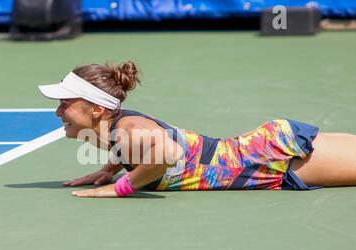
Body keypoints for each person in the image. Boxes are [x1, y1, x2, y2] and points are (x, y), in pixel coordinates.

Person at [38, 61, 356, 198]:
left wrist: (120, 187)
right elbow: (143, 147)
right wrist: (110, 169)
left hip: (272, 160)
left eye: (65, 103)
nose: (58, 111)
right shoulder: (115, 129)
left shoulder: (125, 129)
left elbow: (167, 152)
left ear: (96, 109)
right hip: (267, 157)